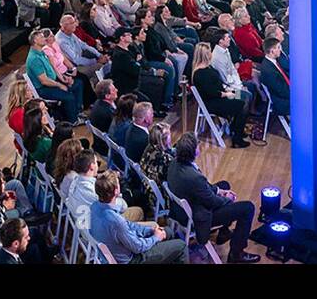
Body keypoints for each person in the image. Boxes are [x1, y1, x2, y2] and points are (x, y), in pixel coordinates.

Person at [166, 132, 258, 263]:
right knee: (247, 208)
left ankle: (224, 232)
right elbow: (212, 202)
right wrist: (228, 199)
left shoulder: (174, 163)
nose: (200, 146)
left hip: (184, 207)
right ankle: (236, 253)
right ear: (193, 152)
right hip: (199, 215)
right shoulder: (194, 177)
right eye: (197, 145)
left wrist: (220, 191)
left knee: (224, 185)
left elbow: (204, 188)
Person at [89, 170, 186, 264]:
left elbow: (129, 225)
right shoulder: (115, 221)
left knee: (168, 231)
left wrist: (150, 230)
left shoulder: (95, 207)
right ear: (116, 191)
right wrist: (156, 237)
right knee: (182, 246)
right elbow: (138, 247)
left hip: (120, 251)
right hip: (133, 259)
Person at [192, 43, 250, 148]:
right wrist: (227, 94)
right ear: (205, 55)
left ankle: (236, 128)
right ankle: (237, 138)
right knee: (242, 104)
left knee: (245, 96)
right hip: (215, 101)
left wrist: (229, 90)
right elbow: (212, 93)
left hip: (222, 94)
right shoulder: (199, 73)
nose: (211, 54)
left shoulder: (208, 67)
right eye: (209, 52)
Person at [26, 29, 82, 122]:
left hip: (52, 81)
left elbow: (53, 68)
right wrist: (60, 85)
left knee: (77, 84)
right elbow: (44, 81)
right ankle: (73, 121)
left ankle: (77, 112)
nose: (44, 38)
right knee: (69, 96)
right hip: (43, 89)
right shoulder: (34, 59)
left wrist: (63, 78)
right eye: (41, 37)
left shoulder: (41, 52)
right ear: (35, 41)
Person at [258, 37, 290, 118]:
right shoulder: (268, 70)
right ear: (272, 51)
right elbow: (281, 91)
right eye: (278, 47)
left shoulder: (274, 60)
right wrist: (299, 94)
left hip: (287, 91)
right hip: (282, 101)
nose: (280, 49)